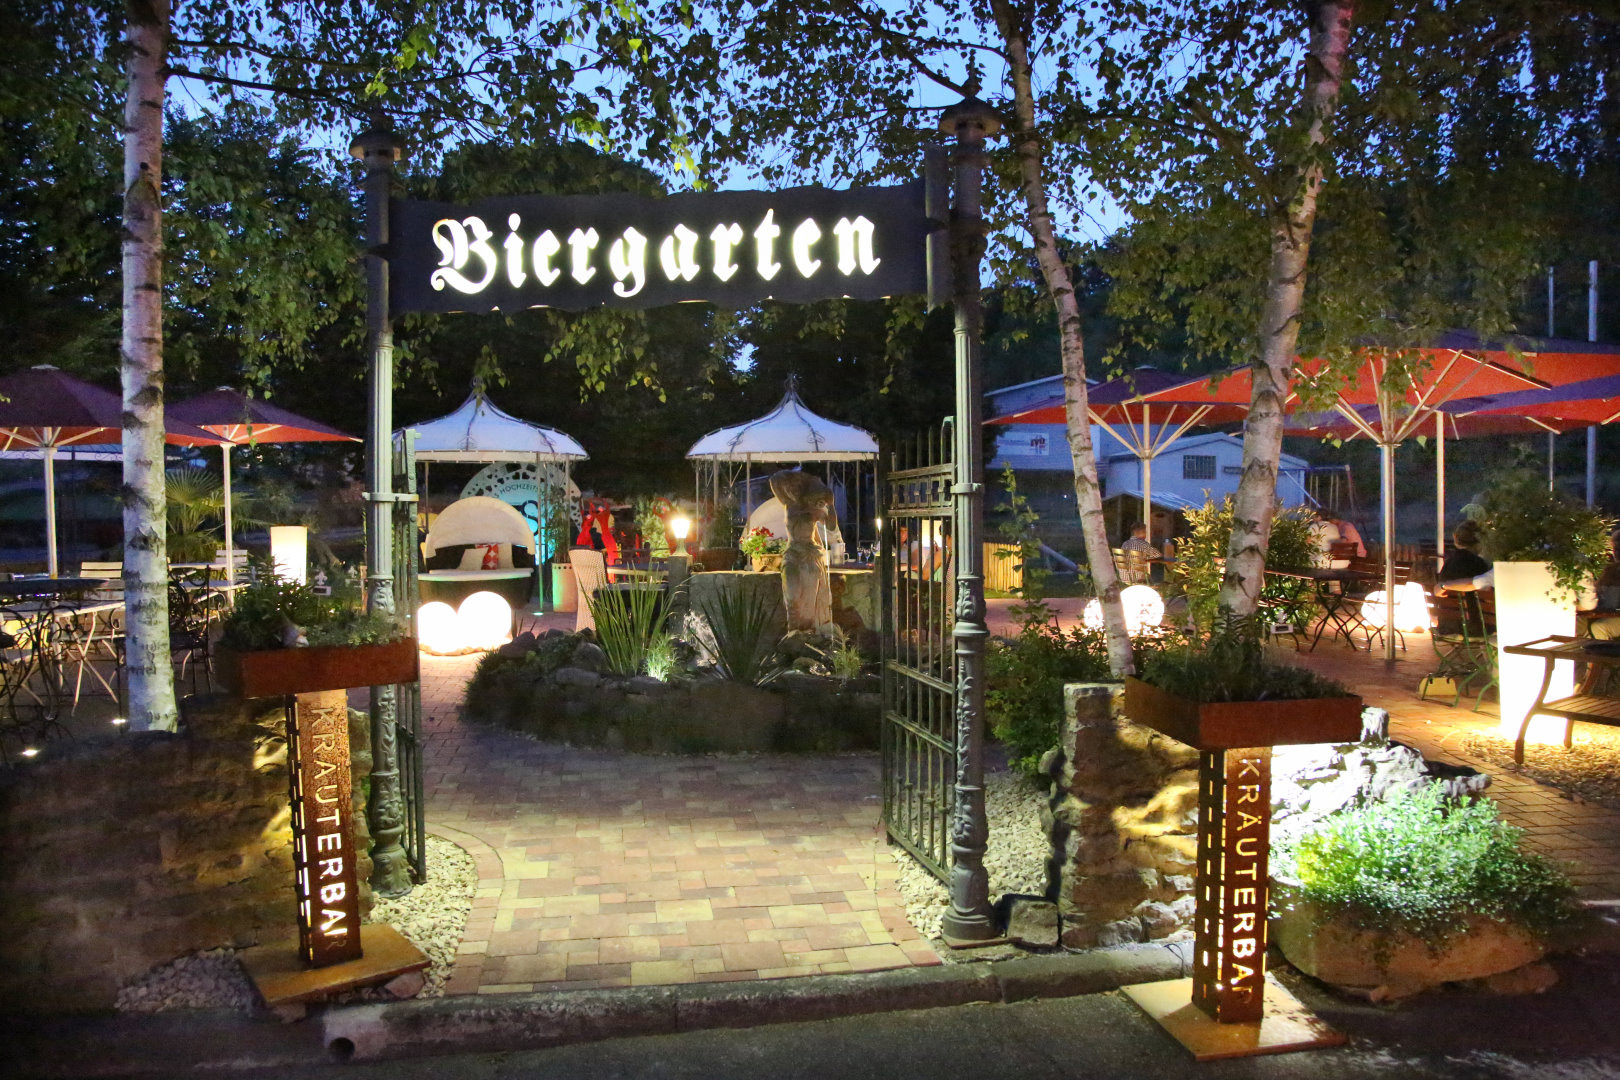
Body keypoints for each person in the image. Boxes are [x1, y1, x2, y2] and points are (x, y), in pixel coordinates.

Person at [1435, 520, 1492, 594]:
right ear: (1478, 542)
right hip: (1475, 601)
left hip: (1450, 601)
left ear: (1456, 540)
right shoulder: (1479, 564)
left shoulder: (1448, 563)